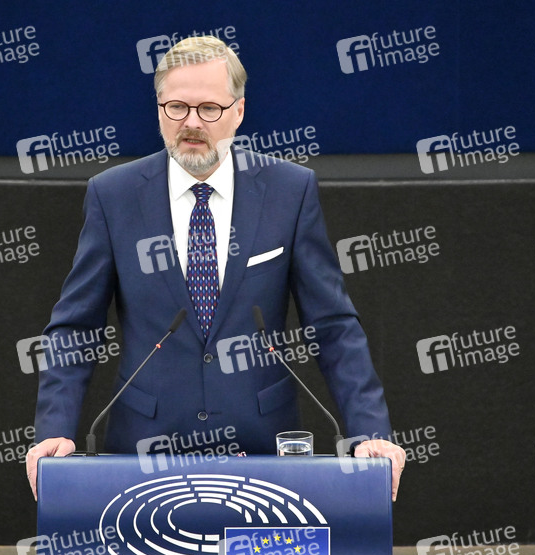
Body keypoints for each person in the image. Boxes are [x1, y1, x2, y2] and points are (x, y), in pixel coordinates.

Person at [27, 36, 404, 500]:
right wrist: (55, 429)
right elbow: (75, 327)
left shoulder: (289, 191)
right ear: (159, 108)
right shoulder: (114, 195)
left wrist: (369, 432)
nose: (191, 122)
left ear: (238, 111)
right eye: (176, 107)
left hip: (263, 449)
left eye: (208, 108)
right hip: (144, 452)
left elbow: (333, 326)